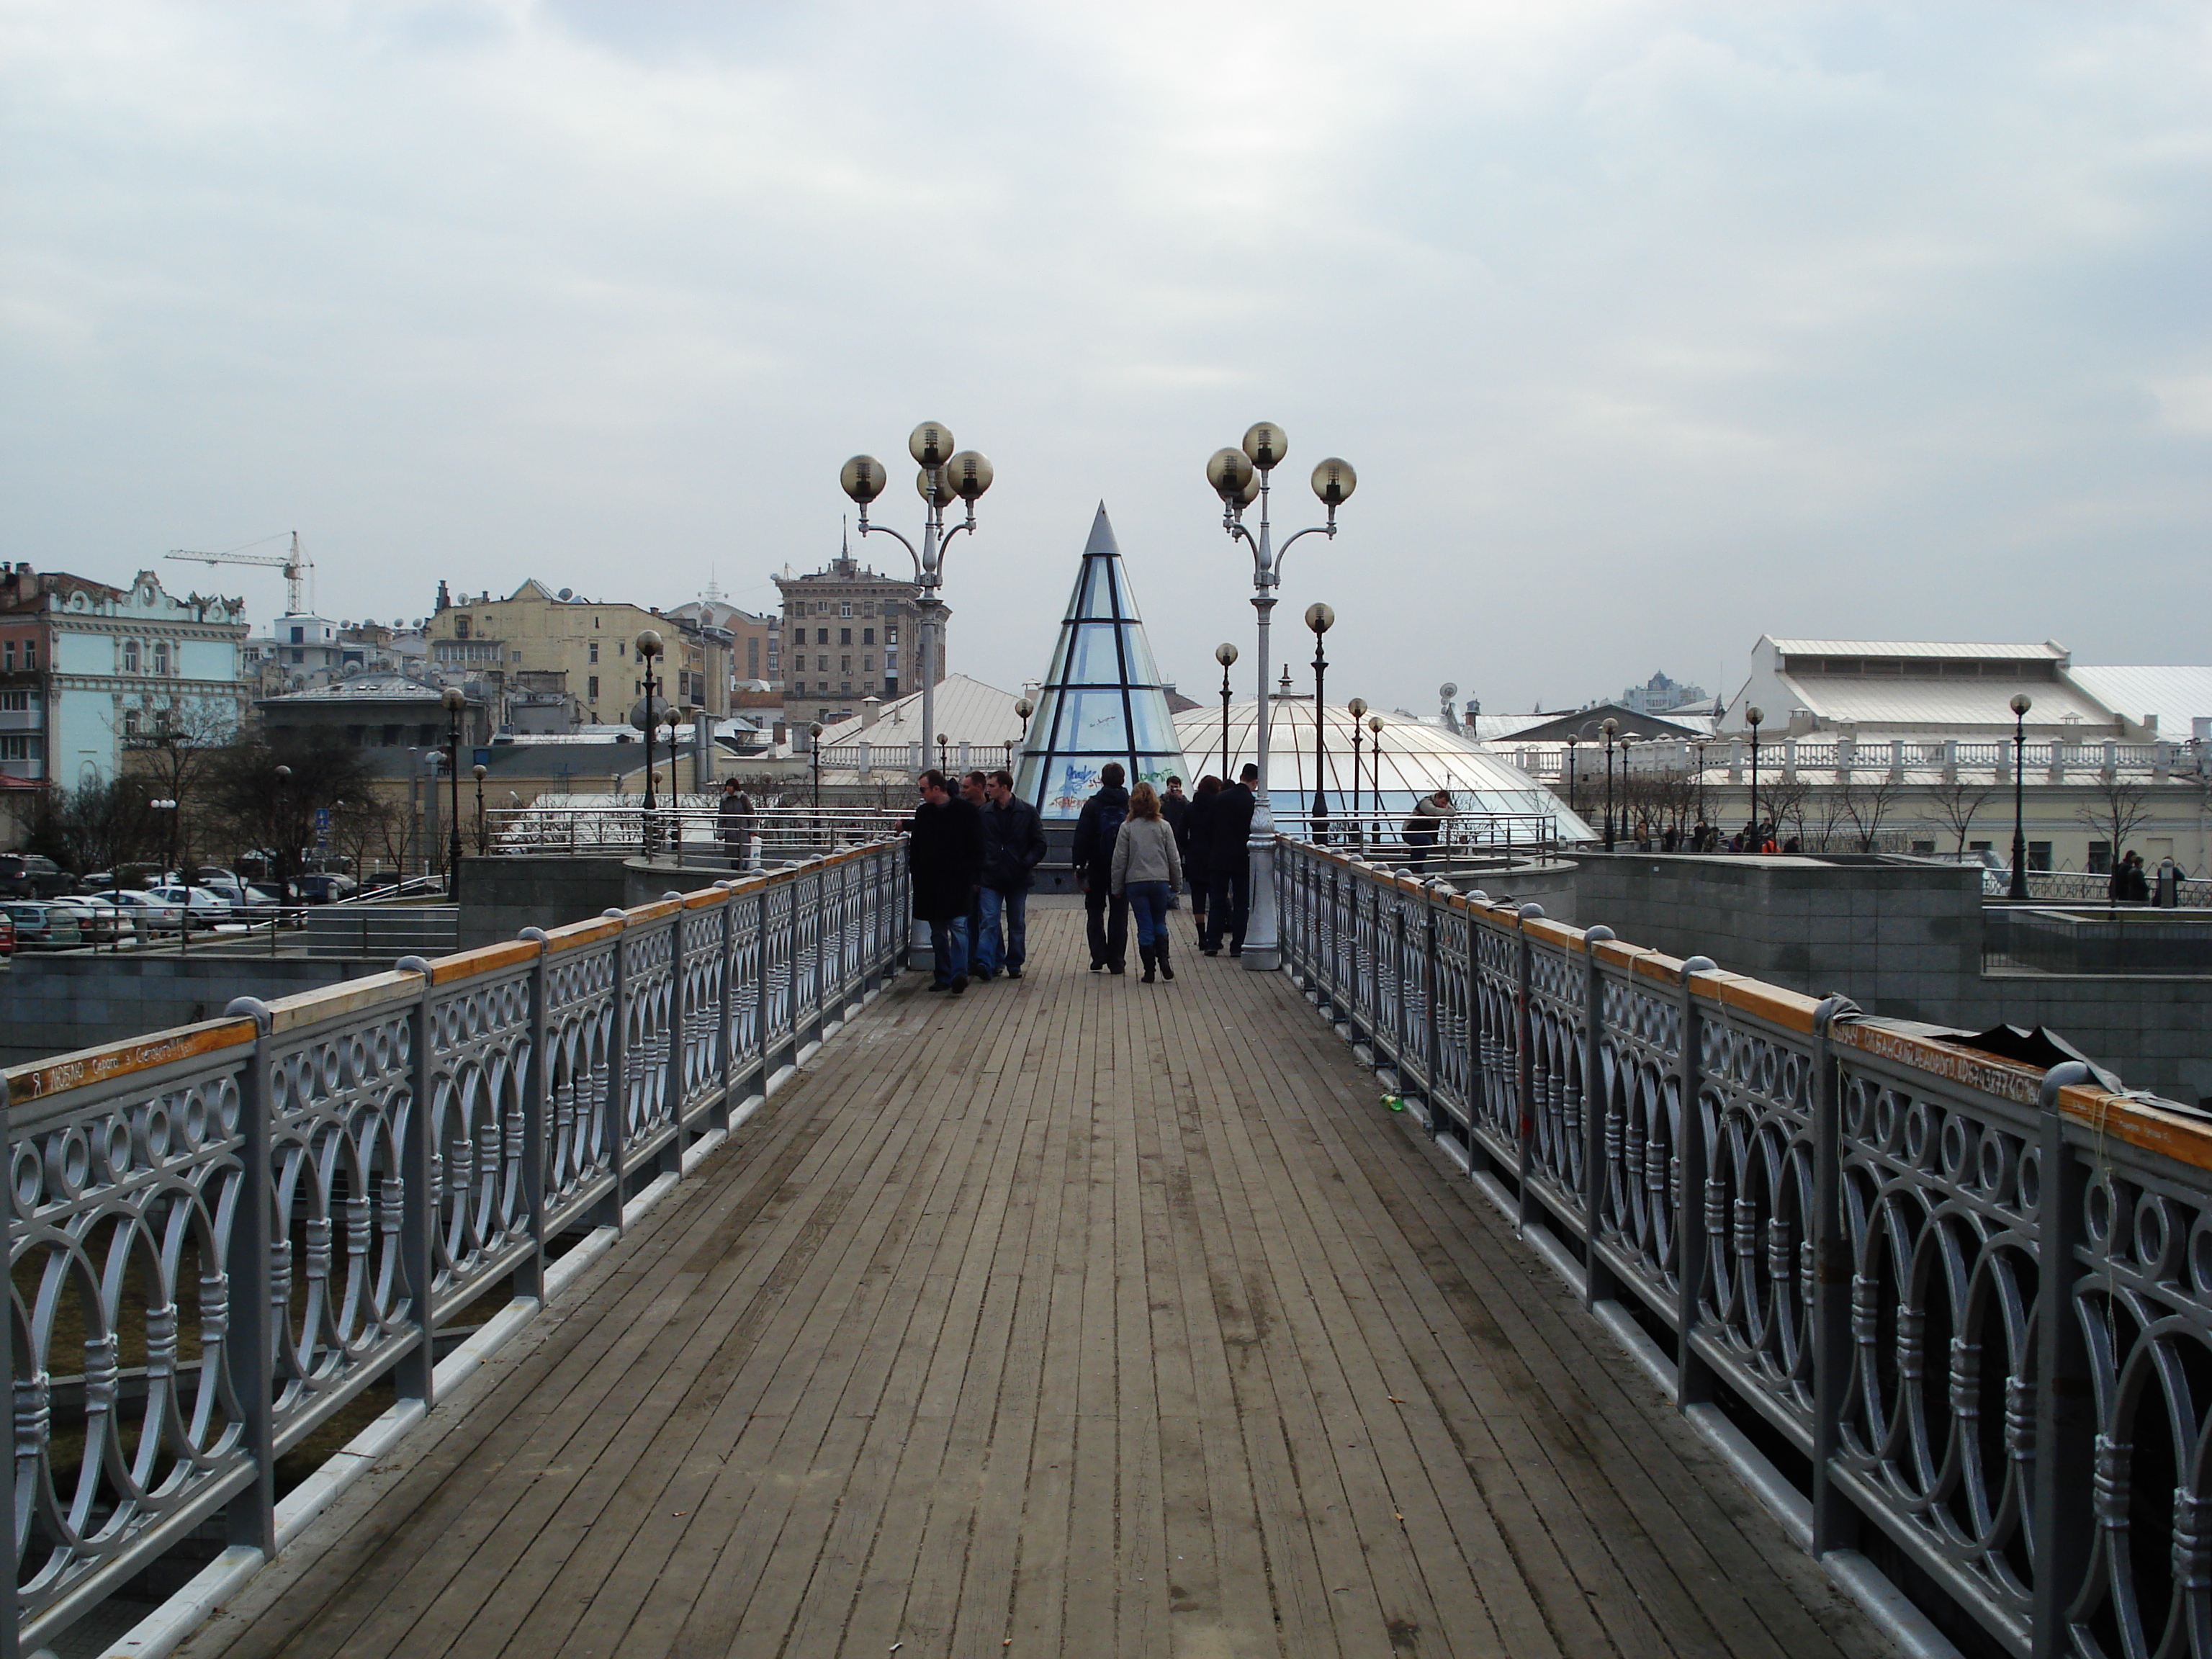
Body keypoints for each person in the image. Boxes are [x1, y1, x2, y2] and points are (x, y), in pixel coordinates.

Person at [907, 769, 983, 994]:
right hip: (930, 883)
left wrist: (973, 875)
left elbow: (978, 846)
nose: (921, 794)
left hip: (957, 880)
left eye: (923, 789)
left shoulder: (966, 812)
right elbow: (916, 847)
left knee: (958, 926)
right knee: (938, 932)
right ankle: (944, 975)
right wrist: (917, 872)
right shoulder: (924, 814)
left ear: (936, 789)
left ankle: (959, 974)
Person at [1111, 781, 1184, 983]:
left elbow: (1120, 860)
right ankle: (1164, 959)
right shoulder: (1164, 827)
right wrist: (1177, 885)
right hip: (1160, 881)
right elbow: (1174, 858)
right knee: (1159, 921)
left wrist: (1117, 887)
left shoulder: (1127, 828)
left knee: (1144, 925)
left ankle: (1149, 970)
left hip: (1136, 882)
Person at [977, 768, 1046, 979]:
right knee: (989, 920)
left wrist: (1025, 863)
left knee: (1016, 922)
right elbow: (976, 843)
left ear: (1004, 787)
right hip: (991, 876)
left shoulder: (1027, 812)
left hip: (1017, 877)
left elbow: (1040, 844)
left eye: (991, 786)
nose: (987, 790)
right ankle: (985, 962)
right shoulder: (985, 813)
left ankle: (1014, 963)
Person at [1072, 762, 1132, 973]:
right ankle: (1117, 960)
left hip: (1097, 865)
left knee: (1095, 911)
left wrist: (1079, 865)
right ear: (1123, 780)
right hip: (1122, 867)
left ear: (1102, 780)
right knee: (1119, 913)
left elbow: (1082, 837)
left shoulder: (1093, 805)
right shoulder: (1130, 805)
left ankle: (1098, 955)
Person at [1202, 764, 1258, 957]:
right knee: (1241, 903)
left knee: (1217, 901)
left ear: (1241, 776)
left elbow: (1207, 828)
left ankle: (1212, 943)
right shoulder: (1252, 803)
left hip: (1219, 857)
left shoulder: (1220, 798)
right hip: (1243, 859)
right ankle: (1238, 945)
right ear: (1255, 782)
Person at [961, 771, 991, 976]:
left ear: (979, 787)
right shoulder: (963, 810)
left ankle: (990, 961)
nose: (962, 791)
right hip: (970, 874)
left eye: (966, 787)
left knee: (989, 920)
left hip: (990, 873)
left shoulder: (992, 810)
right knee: (972, 919)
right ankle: (974, 961)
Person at [1184, 775, 1220, 940]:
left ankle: (1201, 936)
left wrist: (1188, 848)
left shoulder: (1190, 808)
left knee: (1197, 899)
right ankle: (1214, 936)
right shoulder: (1218, 807)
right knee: (1216, 899)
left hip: (1195, 857)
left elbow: (1181, 833)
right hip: (1214, 857)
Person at [1402, 789, 1453, 871]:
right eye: (1442, 803)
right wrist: (1445, 811)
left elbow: (1453, 812)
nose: (1443, 806)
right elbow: (1433, 811)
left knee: (1420, 846)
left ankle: (1414, 869)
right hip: (1409, 831)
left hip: (1421, 832)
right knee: (1426, 842)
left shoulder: (1439, 804)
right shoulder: (1425, 802)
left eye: (1445, 804)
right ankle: (1416, 868)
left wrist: (1441, 811)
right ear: (1437, 798)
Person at [716, 777, 755, 871]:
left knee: (744, 854)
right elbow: (721, 816)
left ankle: (744, 872)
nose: (728, 788)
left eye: (730, 786)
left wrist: (752, 829)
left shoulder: (743, 798)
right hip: (731, 831)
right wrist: (720, 831)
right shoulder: (724, 800)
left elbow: (750, 813)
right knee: (733, 856)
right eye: (727, 786)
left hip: (743, 830)